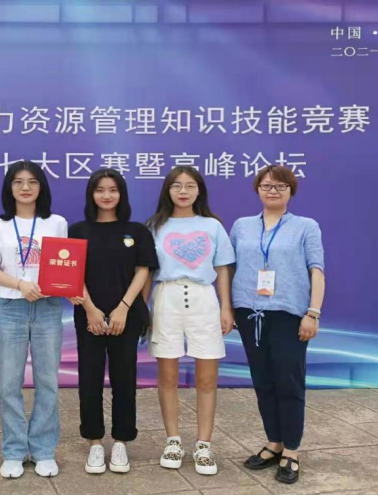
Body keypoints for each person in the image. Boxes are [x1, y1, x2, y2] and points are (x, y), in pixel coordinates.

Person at [230, 165, 325, 485]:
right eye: (266, 185)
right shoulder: (241, 226)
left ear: (290, 191)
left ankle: (292, 450)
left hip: (289, 315)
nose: (273, 191)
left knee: (289, 382)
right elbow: (229, 268)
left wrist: (313, 313)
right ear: (257, 189)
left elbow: (317, 270)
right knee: (263, 381)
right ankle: (274, 442)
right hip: (250, 313)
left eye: (280, 186)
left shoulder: (306, 226)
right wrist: (228, 308)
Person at [145, 166, 235, 476]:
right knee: (167, 375)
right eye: (176, 186)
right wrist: (143, 309)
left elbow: (222, 268)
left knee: (207, 378)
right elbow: (146, 271)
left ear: (200, 191)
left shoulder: (212, 226)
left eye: (190, 186)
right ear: (167, 191)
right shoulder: (154, 226)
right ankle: (173, 441)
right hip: (166, 298)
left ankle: (203, 444)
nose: (183, 192)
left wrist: (226, 307)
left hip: (203, 298)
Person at [0, 160, 68, 479]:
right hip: (11, 307)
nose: (25, 187)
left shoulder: (56, 223)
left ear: (41, 187)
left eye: (32, 182)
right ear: (10, 188)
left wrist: (63, 287)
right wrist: (20, 284)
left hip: (47, 307)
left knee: (47, 381)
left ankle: (43, 450)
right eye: (18, 182)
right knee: (8, 383)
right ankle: (14, 450)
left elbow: (65, 265)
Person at [69, 169, 158, 474]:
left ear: (122, 194)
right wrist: (90, 309)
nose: (106, 195)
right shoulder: (77, 230)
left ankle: (121, 441)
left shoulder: (137, 231)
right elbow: (72, 272)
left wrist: (123, 308)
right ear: (91, 194)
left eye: (113, 190)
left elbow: (143, 270)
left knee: (125, 378)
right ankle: (94, 442)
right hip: (88, 315)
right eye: (100, 190)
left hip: (126, 316)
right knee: (89, 379)